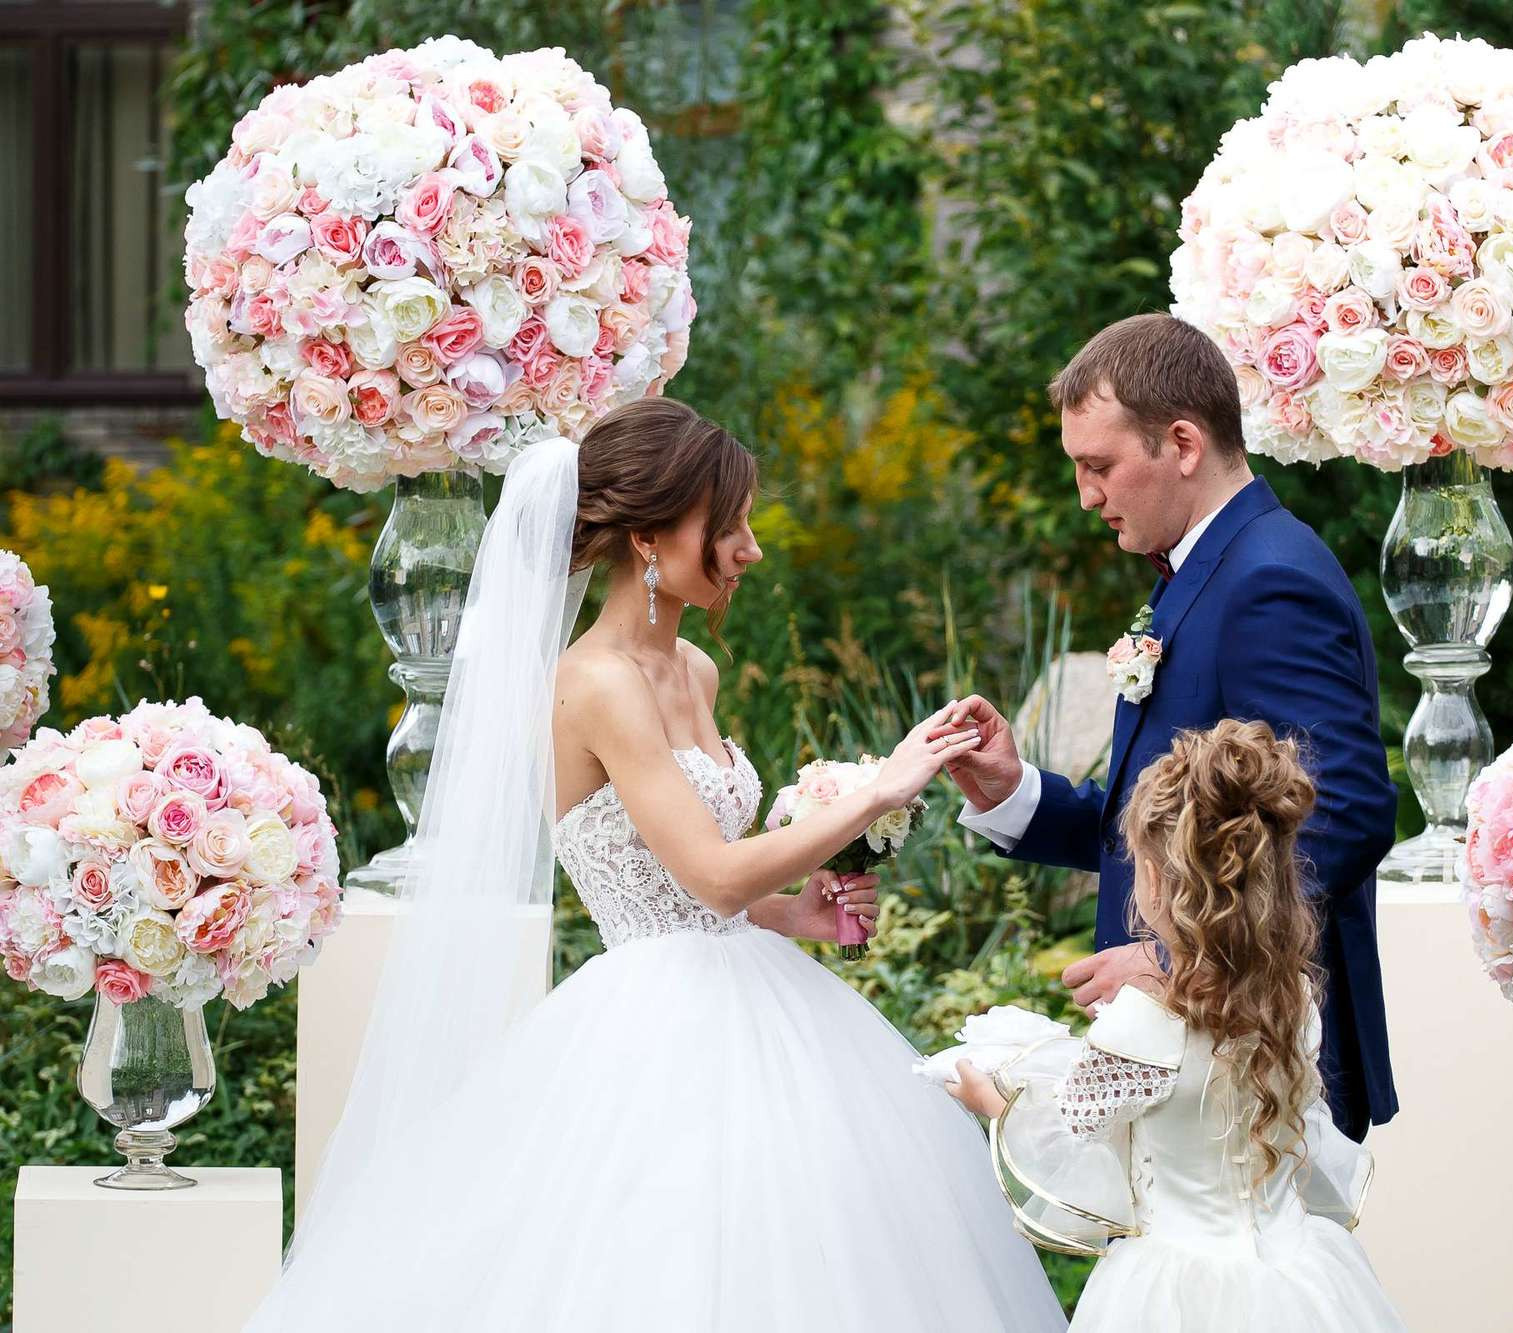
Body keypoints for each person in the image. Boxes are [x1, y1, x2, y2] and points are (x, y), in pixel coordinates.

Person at [243, 400, 1065, 1331]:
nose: (750, 547)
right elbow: (712, 874)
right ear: (647, 538)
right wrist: (877, 790)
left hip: (755, 992)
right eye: (727, 524)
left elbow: (696, 889)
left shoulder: (697, 671)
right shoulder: (595, 683)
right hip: (652, 1025)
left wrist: (797, 913)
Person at [941, 312, 1401, 1140]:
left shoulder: (1268, 582)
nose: (1087, 495)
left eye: (1099, 465)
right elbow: (1180, 827)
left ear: (1182, 443)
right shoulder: (1207, 570)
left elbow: (1343, 815)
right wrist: (1016, 794)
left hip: (1254, 1062)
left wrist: (1182, 960)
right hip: (1194, 1062)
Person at [947, 721, 1406, 1331]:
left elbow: (1073, 1125)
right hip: (1300, 1278)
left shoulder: (1141, 1020)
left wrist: (995, 1101)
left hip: (1173, 1291)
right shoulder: (1292, 997)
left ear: (1159, 883)